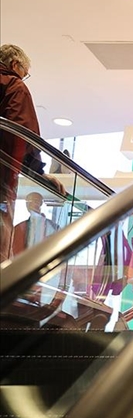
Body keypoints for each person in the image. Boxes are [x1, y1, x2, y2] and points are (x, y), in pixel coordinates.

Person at [0, 44, 64, 263]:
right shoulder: (14, 86)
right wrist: (38, 172)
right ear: (15, 64)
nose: (23, 77)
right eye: (24, 73)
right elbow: (23, 134)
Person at [11, 192, 59, 256]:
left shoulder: (52, 227)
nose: (29, 204)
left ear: (40, 203)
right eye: (28, 202)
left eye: (35, 201)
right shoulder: (18, 227)